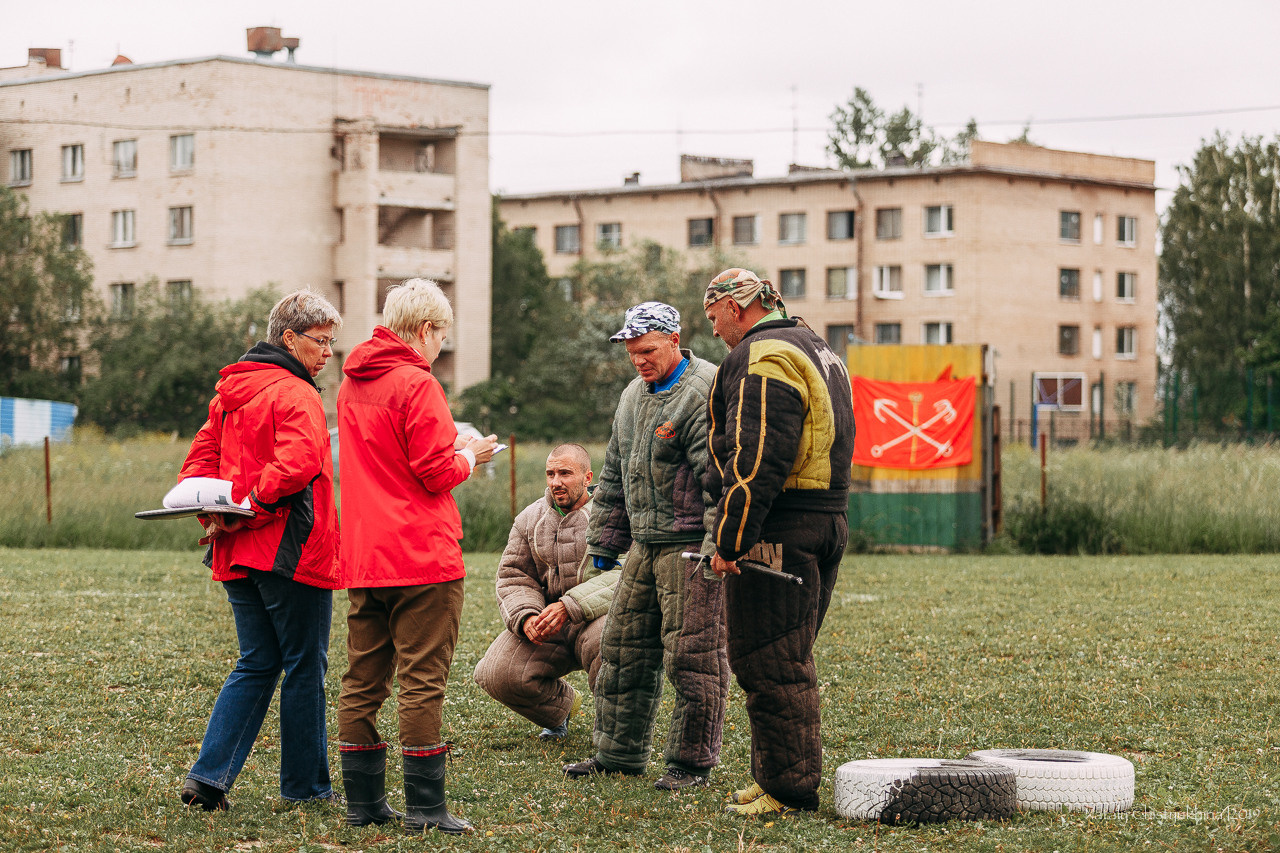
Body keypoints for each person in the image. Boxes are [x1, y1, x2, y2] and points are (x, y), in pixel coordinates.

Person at [335, 278, 497, 835]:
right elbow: (433, 472)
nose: (441, 344)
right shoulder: (418, 383)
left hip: (365, 555)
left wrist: (450, 449)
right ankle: (426, 808)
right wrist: (469, 456)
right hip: (421, 556)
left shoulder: (351, 382)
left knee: (363, 680)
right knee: (422, 681)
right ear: (426, 329)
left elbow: (387, 457)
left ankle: (363, 803)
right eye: (442, 334)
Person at [177, 290, 343, 812]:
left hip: (235, 552)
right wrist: (250, 504)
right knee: (304, 667)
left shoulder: (229, 392)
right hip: (289, 553)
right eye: (321, 341)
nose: (328, 353)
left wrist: (216, 512)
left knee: (258, 661)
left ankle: (207, 780)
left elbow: (197, 463)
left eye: (332, 343)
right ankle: (306, 788)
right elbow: (299, 463)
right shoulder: (297, 392)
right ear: (289, 339)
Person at [701, 268, 856, 817]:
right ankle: (772, 776)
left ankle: (788, 790)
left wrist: (730, 540)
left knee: (769, 660)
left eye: (713, 315)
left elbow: (758, 457)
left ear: (735, 307)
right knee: (786, 654)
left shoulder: (763, 355)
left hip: (781, 526)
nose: (713, 329)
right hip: (827, 518)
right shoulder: (817, 346)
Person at [563, 301, 729, 791]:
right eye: (633, 352)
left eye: (648, 351)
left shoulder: (703, 391)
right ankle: (618, 754)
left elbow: (719, 482)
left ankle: (691, 764)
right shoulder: (632, 396)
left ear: (675, 340)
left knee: (692, 656)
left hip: (689, 546)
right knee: (622, 649)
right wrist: (604, 539)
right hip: (643, 545)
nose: (639, 360)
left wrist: (716, 546)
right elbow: (614, 472)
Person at [473, 444, 616, 739]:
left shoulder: (615, 516)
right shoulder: (530, 518)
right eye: (550, 474)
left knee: (614, 644)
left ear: (588, 477)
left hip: (599, 619)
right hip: (549, 622)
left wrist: (569, 605)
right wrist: (526, 616)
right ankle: (560, 709)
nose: (556, 482)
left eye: (565, 473)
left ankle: (616, 737)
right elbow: (514, 575)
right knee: (496, 673)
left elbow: (625, 574)